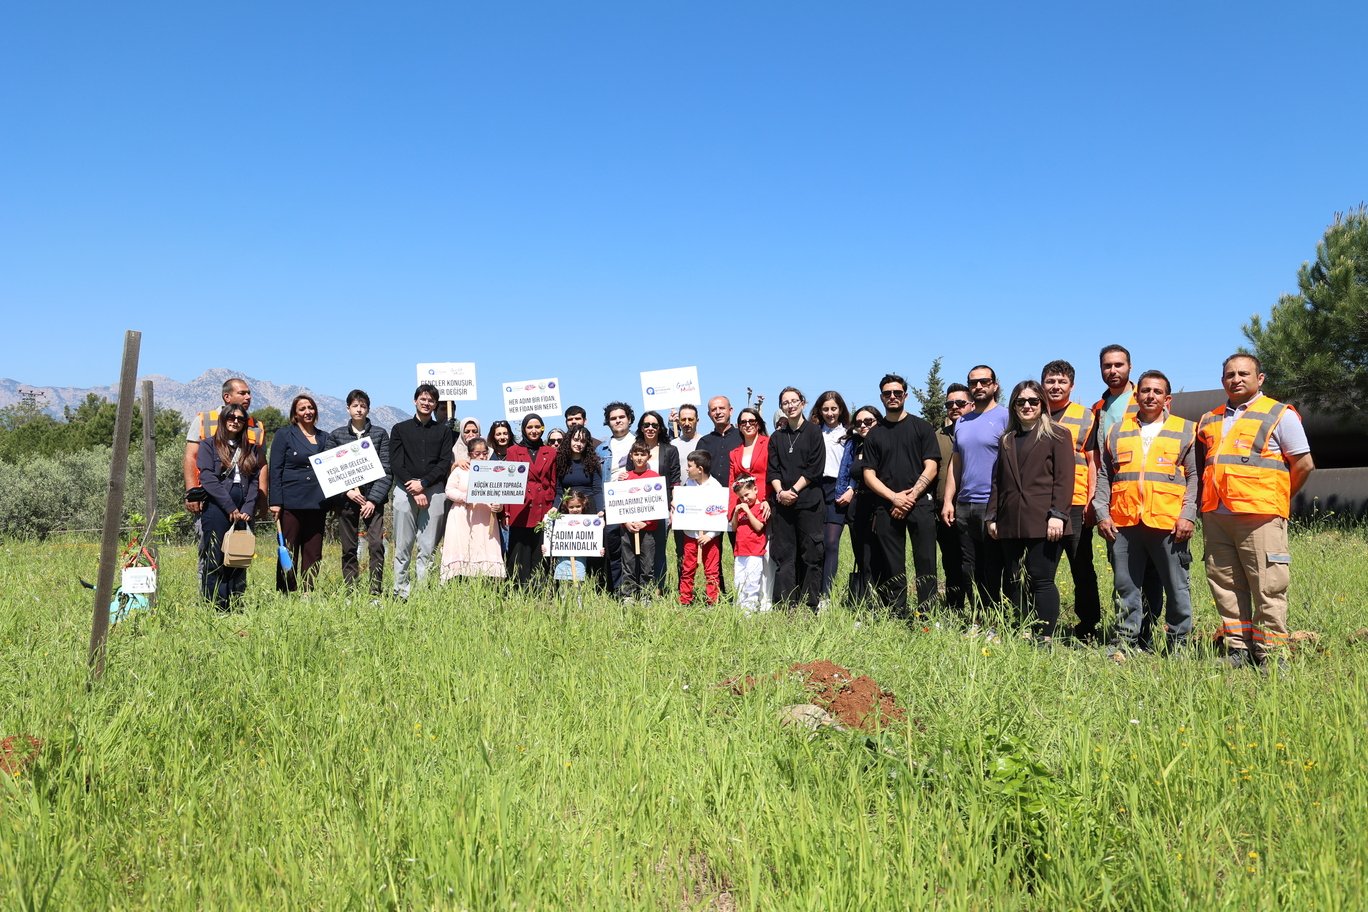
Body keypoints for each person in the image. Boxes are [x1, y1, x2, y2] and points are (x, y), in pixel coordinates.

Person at [1197, 354, 1314, 670]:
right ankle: (1238, 648)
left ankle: (1272, 654)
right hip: (1217, 516)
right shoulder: (1210, 419)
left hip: (1260, 516)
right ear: (1223, 380)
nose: (1236, 379)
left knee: (1268, 585)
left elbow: (1303, 464)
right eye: (1230, 374)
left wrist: (1279, 497)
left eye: (1244, 373)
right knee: (1226, 586)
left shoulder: (1279, 414)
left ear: (1259, 379)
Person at [1094, 370, 1198, 656]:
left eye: (1157, 391)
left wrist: (1188, 514)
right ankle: (1126, 643)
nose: (1150, 396)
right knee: (1126, 586)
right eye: (1145, 391)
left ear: (1167, 398)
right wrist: (1102, 512)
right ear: (1136, 395)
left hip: (1169, 522)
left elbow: (1194, 477)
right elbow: (1105, 474)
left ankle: (1178, 646)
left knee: (1177, 588)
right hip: (1124, 522)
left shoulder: (1185, 429)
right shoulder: (1117, 431)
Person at [986, 381, 1074, 644]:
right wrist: (992, 516)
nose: (1027, 405)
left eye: (1033, 401)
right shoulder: (1007, 440)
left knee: (1040, 579)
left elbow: (1064, 478)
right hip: (1010, 521)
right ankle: (1020, 629)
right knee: (1014, 580)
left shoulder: (1058, 435)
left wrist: (1058, 514)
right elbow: (997, 482)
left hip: (1045, 520)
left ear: (1042, 405)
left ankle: (1044, 636)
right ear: (1013, 406)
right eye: (1021, 401)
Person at [861, 374, 941, 615]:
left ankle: (928, 613)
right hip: (887, 505)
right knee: (892, 563)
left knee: (926, 561)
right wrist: (894, 498)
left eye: (897, 393)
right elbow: (868, 474)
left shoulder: (922, 427)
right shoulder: (874, 434)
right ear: (881, 397)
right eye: (887, 393)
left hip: (920, 504)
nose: (892, 397)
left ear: (905, 395)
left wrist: (911, 496)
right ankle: (898, 612)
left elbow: (932, 466)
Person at [1040, 360, 1103, 642]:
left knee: (1081, 566)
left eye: (1061, 382)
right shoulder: (1034, 412)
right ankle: (1041, 623)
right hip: (1040, 503)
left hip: (1076, 503)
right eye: (1051, 382)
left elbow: (1093, 461)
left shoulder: (1085, 416)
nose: (1055, 387)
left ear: (1072, 386)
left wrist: (1092, 499)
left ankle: (1087, 625)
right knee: (1041, 568)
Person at [941, 365, 1010, 616]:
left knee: (995, 565)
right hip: (964, 504)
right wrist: (949, 500)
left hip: (993, 504)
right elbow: (955, 464)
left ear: (995, 385)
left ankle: (998, 617)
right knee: (969, 566)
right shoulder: (962, 422)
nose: (978, 386)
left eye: (984, 381)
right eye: (973, 382)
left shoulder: (1006, 417)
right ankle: (978, 615)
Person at [183, 378, 268, 576]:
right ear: (227, 396)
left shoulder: (256, 425)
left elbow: (261, 465)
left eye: (249, 393)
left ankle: (236, 600)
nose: (248, 397)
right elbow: (190, 457)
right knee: (210, 552)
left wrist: (262, 499)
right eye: (243, 393)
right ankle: (209, 600)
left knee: (239, 552)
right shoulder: (204, 419)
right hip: (210, 500)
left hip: (244, 500)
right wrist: (191, 492)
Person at [389, 384, 455, 599]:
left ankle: (423, 593)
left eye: (431, 401)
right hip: (404, 491)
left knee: (427, 547)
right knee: (403, 546)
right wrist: (413, 486)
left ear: (436, 405)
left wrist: (424, 484)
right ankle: (401, 592)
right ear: (415, 400)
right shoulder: (400, 429)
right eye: (423, 399)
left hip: (434, 491)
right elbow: (396, 463)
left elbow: (444, 462)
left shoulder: (443, 431)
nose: (426, 403)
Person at [268, 394, 337, 592]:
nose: (307, 411)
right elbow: (275, 470)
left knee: (313, 551)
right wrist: (276, 502)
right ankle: (285, 592)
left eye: (310, 407)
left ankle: (309, 592)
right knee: (288, 550)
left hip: (318, 502)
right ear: (295, 414)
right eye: (302, 409)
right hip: (291, 502)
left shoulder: (325, 437)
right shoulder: (284, 434)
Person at [196, 405, 262, 609]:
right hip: (217, 508)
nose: (235, 421)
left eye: (240, 419)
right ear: (223, 420)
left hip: (243, 511)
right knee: (215, 557)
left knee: (238, 557)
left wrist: (247, 509)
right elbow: (208, 478)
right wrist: (229, 507)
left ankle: (236, 603)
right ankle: (215, 605)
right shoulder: (208, 445)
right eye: (231, 417)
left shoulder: (251, 449)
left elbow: (254, 481)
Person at [768, 387, 825, 611]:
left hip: (809, 503)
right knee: (784, 556)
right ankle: (784, 604)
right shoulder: (777, 437)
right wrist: (781, 492)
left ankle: (810, 603)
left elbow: (814, 468)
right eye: (785, 402)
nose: (790, 405)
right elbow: (772, 470)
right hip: (783, 505)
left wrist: (793, 490)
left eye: (794, 401)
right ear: (781, 406)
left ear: (803, 402)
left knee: (810, 555)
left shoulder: (813, 432)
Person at [331, 389, 392, 597]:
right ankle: (350, 591)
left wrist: (373, 500)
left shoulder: (380, 434)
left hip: (372, 502)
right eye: (355, 405)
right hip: (346, 501)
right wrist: (347, 491)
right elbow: (330, 472)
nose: (359, 409)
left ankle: (375, 591)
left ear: (368, 409)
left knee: (376, 545)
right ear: (348, 408)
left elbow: (386, 469)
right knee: (348, 548)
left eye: (363, 405)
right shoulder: (337, 435)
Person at [440, 436, 506, 581]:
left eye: (484, 453)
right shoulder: (461, 470)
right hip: (462, 516)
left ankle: (487, 582)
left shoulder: (494, 473)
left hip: (485, 518)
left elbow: (500, 494)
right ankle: (459, 581)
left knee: (485, 547)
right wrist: (465, 497)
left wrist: (499, 506)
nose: (481, 457)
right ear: (470, 454)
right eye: (477, 454)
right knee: (462, 546)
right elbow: (449, 490)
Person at [698, 395, 745, 595]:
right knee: (713, 553)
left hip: (738, 501)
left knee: (740, 550)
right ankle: (718, 595)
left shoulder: (742, 436)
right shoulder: (704, 441)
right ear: (709, 414)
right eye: (713, 409)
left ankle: (744, 594)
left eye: (721, 408)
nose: (718, 412)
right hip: (711, 505)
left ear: (730, 410)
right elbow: (697, 472)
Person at [727, 406, 773, 607]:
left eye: (751, 421)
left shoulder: (768, 444)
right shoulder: (734, 452)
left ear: (758, 424)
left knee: (767, 555)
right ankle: (744, 601)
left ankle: (766, 600)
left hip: (765, 504)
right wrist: (731, 513)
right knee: (747, 560)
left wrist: (767, 500)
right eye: (743, 422)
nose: (747, 425)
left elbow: (773, 473)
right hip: (743, 507)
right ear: (738, 426)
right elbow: (732, 483)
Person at [506, 413, 558, 587]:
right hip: (520, 508)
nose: (534, 431)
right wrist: (506, 510)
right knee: (520, 550)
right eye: (530, 427)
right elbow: (509, 483)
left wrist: (551, 504)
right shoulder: (513, 451)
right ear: (523, 429)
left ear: (543, 429)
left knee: (540, 549)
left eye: (538, 427)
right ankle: (518, 587)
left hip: (543, 506)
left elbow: (552, 481)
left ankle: (540, 587)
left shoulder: (550, 452)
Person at [836, 403, 881, 602]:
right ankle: (865, 598)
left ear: (877, 421)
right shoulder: (855, 445)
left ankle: (884, 596)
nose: (863, 426)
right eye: (859, 423)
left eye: (868, 421)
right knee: (861, 553)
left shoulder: (884, 444)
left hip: (878, 504)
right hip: (857, 505)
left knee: (878, 553)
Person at [811, 391, 852, 605]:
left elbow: (854, 464)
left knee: (831, 543)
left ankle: (826, 596)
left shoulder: (849, 434)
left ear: (841, 410)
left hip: (838, 489)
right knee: (816, 544)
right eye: (825, 409)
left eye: (834, 409)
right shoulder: (814, 432)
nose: (830, 413)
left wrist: (850, 488)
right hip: (816, 489)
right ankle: (811, 591)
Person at [635, 410, 680, 590]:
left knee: (659, 549)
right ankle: (641, 587)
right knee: (641, 549)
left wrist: (673, 505)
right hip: (638, 508)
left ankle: (659, 588)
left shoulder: (670, 450)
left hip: (661, 508)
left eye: (654, 425)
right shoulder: (636, 449)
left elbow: (675, 480)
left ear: (660, 427)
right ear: (641, 427)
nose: (651, 428)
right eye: (647, 425)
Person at [934, 385, 970, 610]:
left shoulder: (980, 431)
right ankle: (953, 609)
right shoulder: (937, 436)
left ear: (971, 404)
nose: (954, 408)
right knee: (951, 563)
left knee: (974, 563)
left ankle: (981, 611)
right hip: (942, 511)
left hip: (973, 508)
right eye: (949, 404)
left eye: (960, 403)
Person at [596, 401, 637, 592]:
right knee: (613, 549)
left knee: (636, 550)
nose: (618, 421)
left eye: (621, 417)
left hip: (636, 504)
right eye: (613, 418)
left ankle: (636, 589)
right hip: (611, 506)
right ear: (608, 422)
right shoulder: (602, 449)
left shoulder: (640, 442)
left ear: (629, 419)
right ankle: (617, 591)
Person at [618, 442, 661, 603]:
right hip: (628, 529)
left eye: (643, 454)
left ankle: (646, 595)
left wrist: (647, 522)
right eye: (636, 454)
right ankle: (628, 595)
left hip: (647, 529)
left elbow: (658, 504)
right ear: (631, 456)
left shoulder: (655, 477)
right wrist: (626, 522)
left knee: (647, 564)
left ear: (648, 456)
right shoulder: (625, 477)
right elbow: (619, 503)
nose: (639, 458)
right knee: (628, 563)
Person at [679, 450, 723, 605]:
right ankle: (685, 600)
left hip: (709, 538)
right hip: (690, 535)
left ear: (700, 469)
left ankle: (712, 602)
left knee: (711, 571)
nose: (686, 469)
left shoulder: (716, 487)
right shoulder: (688, 485)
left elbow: (720, 515)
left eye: (689, 466)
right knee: (688, 569)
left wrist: (710, 534)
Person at [542, 490, 602, 587]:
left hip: (579, 565)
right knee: (563, 593)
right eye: (571, 507)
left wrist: (599, 549)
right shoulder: (559, 522)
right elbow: (551, 539)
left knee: (578, 591)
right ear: (566, 506)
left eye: (578, 506)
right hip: (562, 564)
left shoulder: (588, 523)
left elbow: (593, 541)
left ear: (583, 505)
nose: (575, 509)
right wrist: (546, 547)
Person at [669, 404, 703, 571]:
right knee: (682, 548)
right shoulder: (673, 444)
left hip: (702, 501)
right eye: (683, 419)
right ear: (678, 421)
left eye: (691, 419)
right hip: (681, 502)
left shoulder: (704, 441)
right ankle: (684, 588)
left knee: (706, 548)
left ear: (697, 420)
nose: (687, 423)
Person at [730, 475, 768, 613]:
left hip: (754, 552)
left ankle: (750, 609)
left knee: (752, 582)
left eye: (747, 494)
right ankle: (739, 608)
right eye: (741, 497)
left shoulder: (760, 508)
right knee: (739, 581)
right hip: (740, 551)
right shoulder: (740, 509)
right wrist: (735, 513)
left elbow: (759, 527)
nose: (745, 499)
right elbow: (734, 528)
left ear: (755, 489)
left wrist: (747, 511)